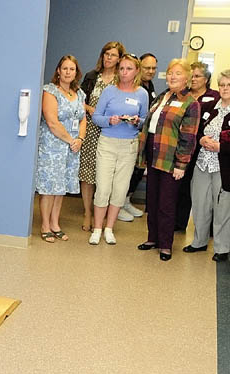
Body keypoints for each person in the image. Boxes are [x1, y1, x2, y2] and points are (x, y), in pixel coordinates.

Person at [183, 69, 230, 261]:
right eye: (222, 84)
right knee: (200, 204)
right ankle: (199, 242)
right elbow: (195, 130)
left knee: (224, 208)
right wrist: (201, 139)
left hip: (228, 168)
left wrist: (221, 147)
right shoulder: (209, 107)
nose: (224, 88)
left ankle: (222, 248)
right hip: (202, 164)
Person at [136, 58, 200, 261]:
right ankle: (152, 238)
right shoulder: (162, 97)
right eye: (171, 72)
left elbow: (188, 137)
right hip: (155, 153)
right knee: (152, 200)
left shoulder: (191, 103)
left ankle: (165, 244)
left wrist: (182, 164)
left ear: (187, 79)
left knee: (166, 203)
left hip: (172, 159)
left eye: (178, 73)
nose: (173, 76)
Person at [89, 54, 148, 245]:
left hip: (128, 146)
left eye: (129, 69)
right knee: (103, 188)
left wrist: (137, 121)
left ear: (136, 71)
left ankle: (109, 229)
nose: (124, 72)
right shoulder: (109, 91)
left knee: (120, 190)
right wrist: (109, 120)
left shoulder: (142, 94)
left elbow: (145, 120)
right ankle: (97, 228)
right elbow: (96, 117)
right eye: (121, 68)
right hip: (107, 143)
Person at [35, 55, 86, 243]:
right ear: (58, 70)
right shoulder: (49, 91)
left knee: (61, 187)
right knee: (49, 188)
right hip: (52, 147)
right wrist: (70, 140)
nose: (68, 72)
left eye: (71, 69)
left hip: (72, 148)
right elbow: (52, 122)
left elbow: (82, 119)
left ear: (76, 72)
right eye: (64, 68)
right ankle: (45, 226)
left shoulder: (79, 94)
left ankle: (55, 224)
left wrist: (79, 139)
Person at [80, 41, 125, 232]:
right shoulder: (92, 76)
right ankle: (88, 213)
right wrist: (91, 110)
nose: (109, 57)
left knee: (106, 176)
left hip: (111, 131)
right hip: (90, 129)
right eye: (106, 53)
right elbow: (79, 99)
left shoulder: (122, 80)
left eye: (113, 55)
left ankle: (104, 216)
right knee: (88, 174)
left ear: (119, 59)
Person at [175, 61, 221, 232]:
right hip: (184, 147)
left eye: (197, 76)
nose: (193, 79)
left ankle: (207, 229)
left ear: (206, 79)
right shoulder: (182, 95)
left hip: (206, 149)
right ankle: (179, 223)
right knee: (182, 186)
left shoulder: (215, 96)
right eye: (191, 76)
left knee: (206, 191)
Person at [121, 52, 159, 223]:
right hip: (126, 136)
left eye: (154, 68)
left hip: (142, 136)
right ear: (138, 68)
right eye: (147, 67)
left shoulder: (149, 88)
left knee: (137, 171)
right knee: (126, 173)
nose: (150, 71)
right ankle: (118, 204)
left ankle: (126, 200)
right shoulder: (132, 88)